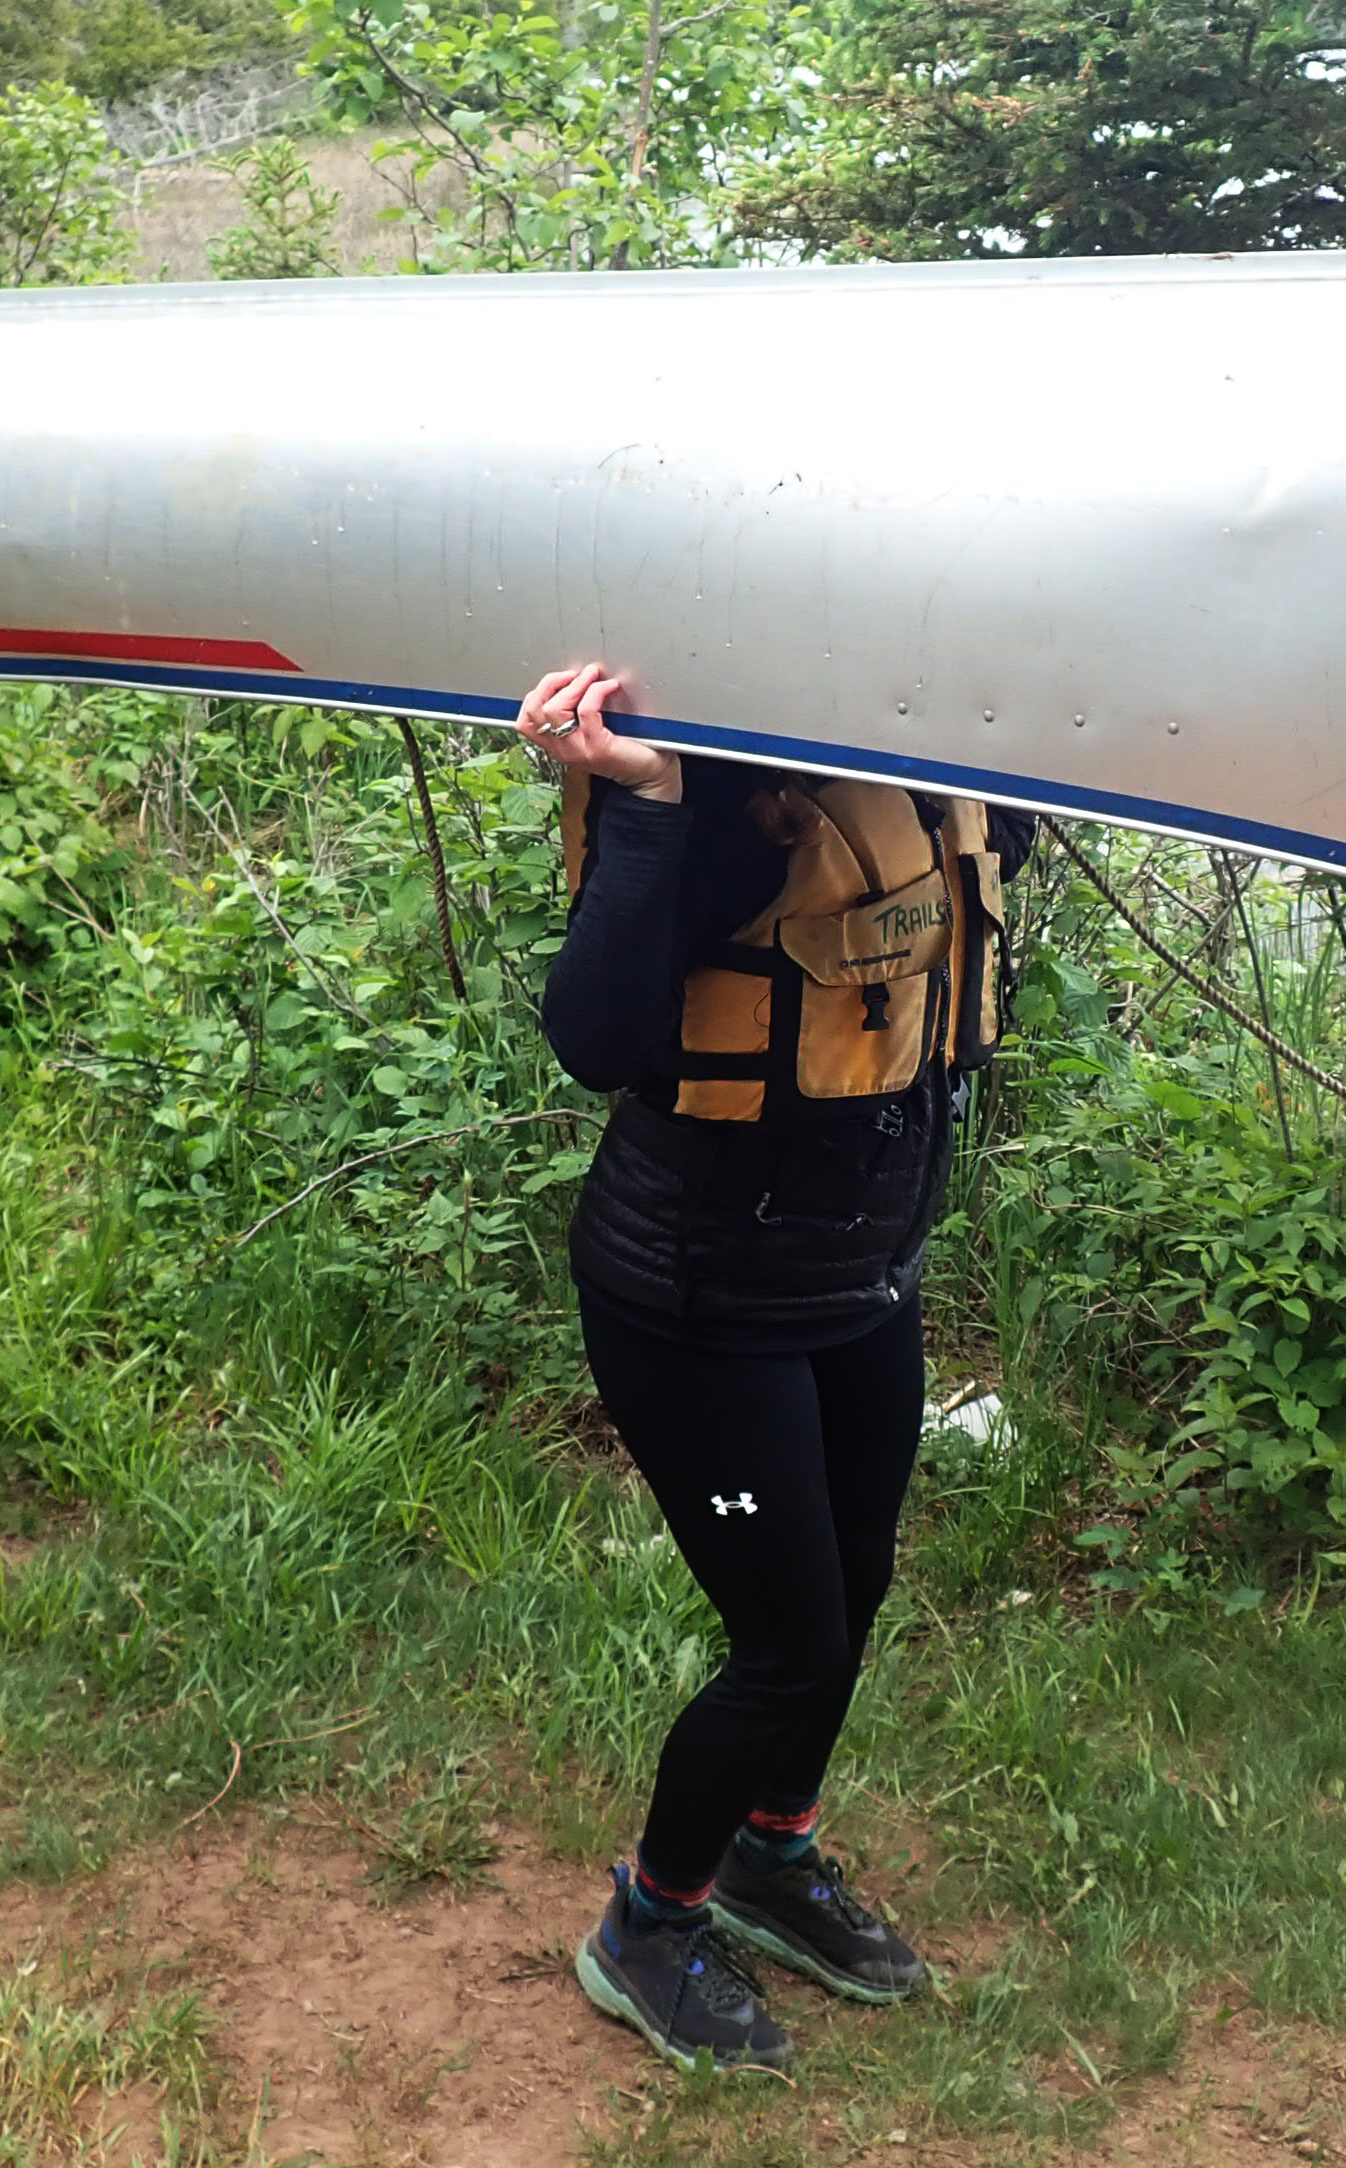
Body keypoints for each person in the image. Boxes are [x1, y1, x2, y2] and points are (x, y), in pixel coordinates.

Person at [520, 660, 1031, 2074]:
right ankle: (651, 1919)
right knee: (790, 1639)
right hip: (697, 1296)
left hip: (864, 1278)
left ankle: (770, 1856)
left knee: (854, 1586)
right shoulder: (723, 778)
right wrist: (654, 806)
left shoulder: (945, 739)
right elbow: (595, 1031)